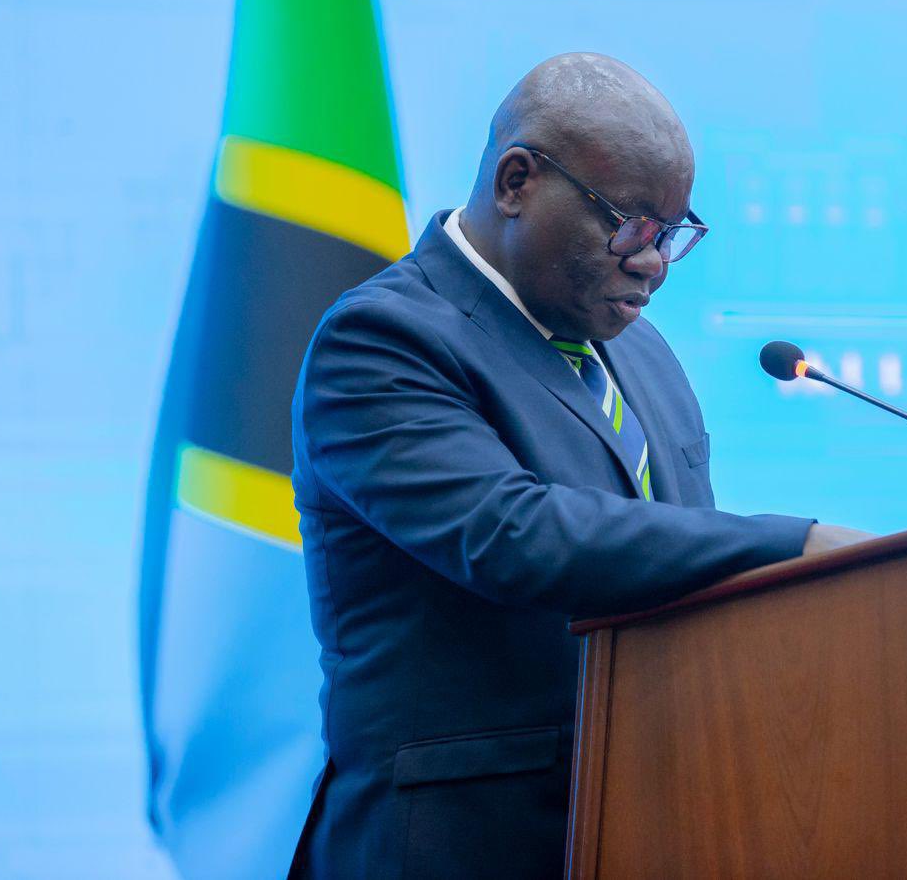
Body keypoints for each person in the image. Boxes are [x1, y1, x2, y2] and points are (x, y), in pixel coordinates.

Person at [287, 53, 868, 877]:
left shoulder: (644, 355)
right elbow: (511, 534)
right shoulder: (383, 339)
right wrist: (793, 544)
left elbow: (675, 561)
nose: (652, 261)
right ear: (516, 182)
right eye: (630, 223)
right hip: (455, 846)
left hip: (650, 827)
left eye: (671, 234)